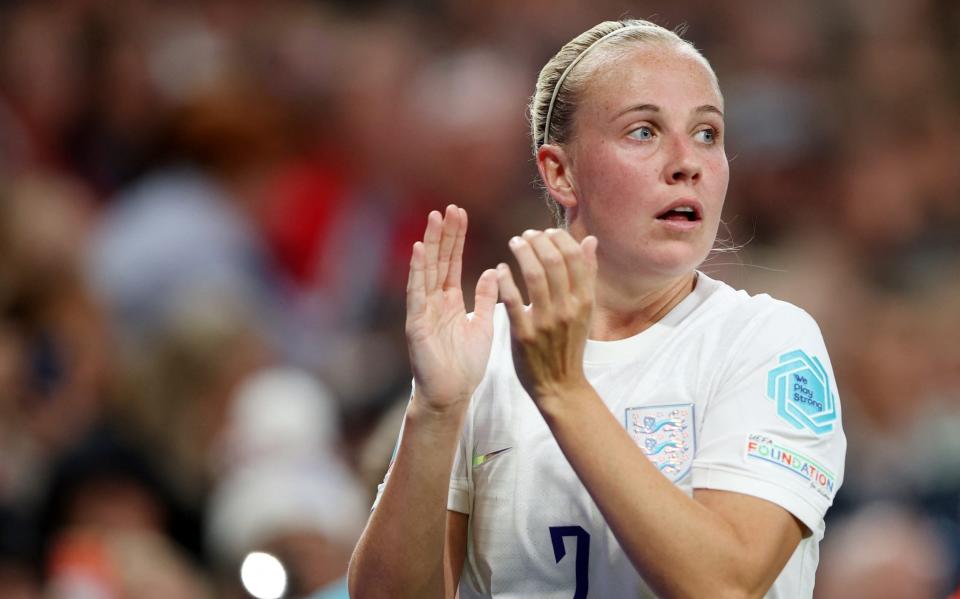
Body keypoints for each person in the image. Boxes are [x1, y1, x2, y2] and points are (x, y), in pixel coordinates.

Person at [348, 18, 846, 599]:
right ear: (560, 172)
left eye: (707, 133)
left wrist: (563, 390)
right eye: (643, 131)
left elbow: (726, 583)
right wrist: (435, 410)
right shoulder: (486, 356)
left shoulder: (766, 340)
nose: (687, 162)